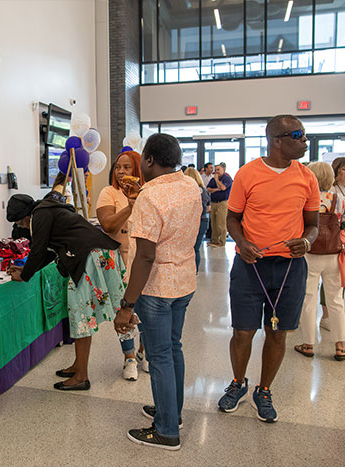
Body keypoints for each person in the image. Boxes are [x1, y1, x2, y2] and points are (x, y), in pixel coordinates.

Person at [217, 115, 319, 423]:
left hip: (290, 268)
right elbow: (232, 218)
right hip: (250, 265)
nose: (305, 142)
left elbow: (313, 224)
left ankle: (264, 390)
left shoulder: (307, 177)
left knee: (277, 333)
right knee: (243, 331)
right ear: (277, 141)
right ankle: (238, 383)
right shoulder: (248, 174)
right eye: (298, 136)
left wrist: (307, 240)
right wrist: (243, 242)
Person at [114, 133, 201, 450]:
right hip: (184, 281)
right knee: (173, 348)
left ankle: (166, 431)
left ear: (149, 161)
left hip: (158, 287)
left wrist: (127, 304)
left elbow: (146, 256)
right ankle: (171, 412)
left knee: (160, 354)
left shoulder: (150, 198)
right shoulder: (191, 185)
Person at [6, 194, 125, 392]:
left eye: (20, 222)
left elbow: (37, 251)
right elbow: (48, 253)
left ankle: (81, 376)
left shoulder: (39, 216)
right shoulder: (49, 209)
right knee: (82, 315)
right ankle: (78, 366)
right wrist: (26, 270)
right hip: (98, 253)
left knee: (81, 316)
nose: (22, 227)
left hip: (90, 257)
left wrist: (24, 276)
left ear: (24, 216)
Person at [294, 162, 345, 361]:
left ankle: (308, 344)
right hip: (334, 254)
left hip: (310, 253)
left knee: (308, 299)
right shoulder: (338, 199)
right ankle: (340, 347)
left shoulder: (306, 199)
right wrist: (342, 233)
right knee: (335, 300)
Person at [96, 150, 148, 380]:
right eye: (118, 168)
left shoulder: (149, 192)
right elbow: (107, 225)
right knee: (123, 311)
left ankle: (143, 353)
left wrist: (139, 198)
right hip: (118, 262)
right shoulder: (109, 193)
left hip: (145, 260)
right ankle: (129, 359)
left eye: (127, 168)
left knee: (147, 311)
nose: (121, 172)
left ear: (137, 169)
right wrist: (130, 205)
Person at [319, 157, 345, 327]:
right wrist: (342, 233)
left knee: (343, 274)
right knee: (332, 274)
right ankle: (327, 314)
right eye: (344, 168)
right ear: (335, 171)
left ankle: (339, 309)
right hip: (339, 232)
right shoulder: (331, 190)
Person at [184, 167, 210, 272]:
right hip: (202, 221)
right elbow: (208, 207)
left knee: (187, 249)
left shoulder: (184, 191)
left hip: (188, 222)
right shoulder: (204, 191)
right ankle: (195, 272)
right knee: (196, 249)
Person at [206, 162, 232, 247]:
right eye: (215, 170)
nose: (216, 172)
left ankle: (221, 241)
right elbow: (208, 189)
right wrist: (217, 189)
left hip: (222, 203)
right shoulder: (212, 179)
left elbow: (223, 188)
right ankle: (214, 240)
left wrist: (217, 180)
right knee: (213, 223)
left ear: (223, 170)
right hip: (213, 203)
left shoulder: (227, 179)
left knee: (221, 223)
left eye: (218, 170)